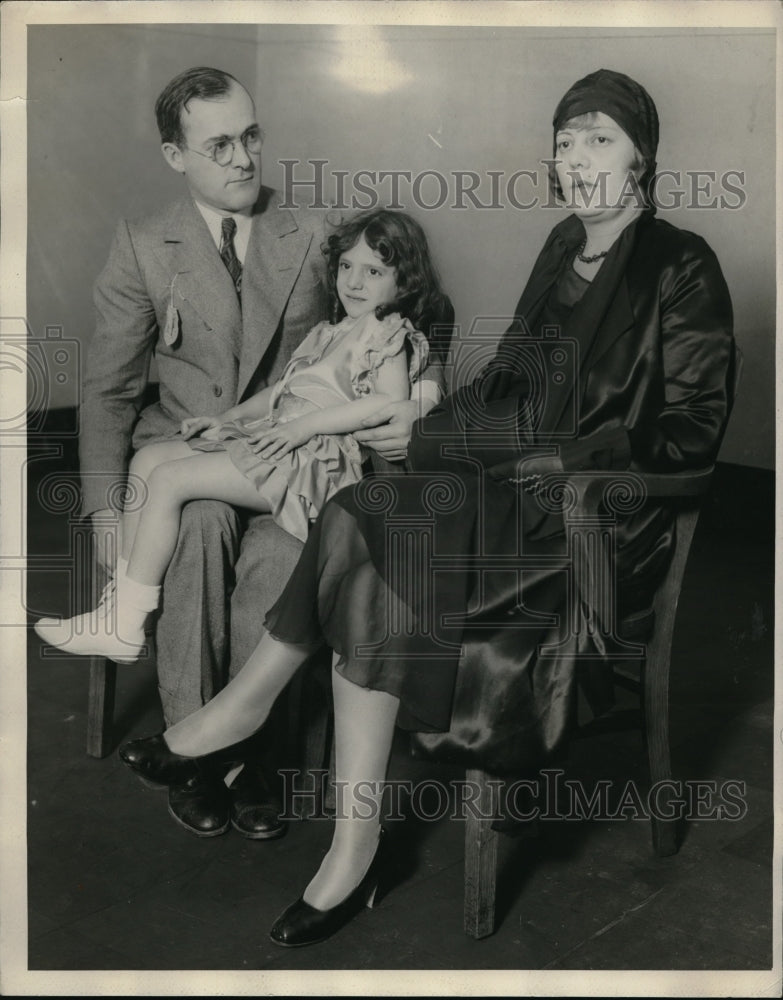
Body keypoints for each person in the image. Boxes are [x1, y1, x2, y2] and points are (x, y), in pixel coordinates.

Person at [118, 69, 736, 946]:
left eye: (598, 138)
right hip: (504, 499)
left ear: (641, 155)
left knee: (364, 540)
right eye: (564, 141)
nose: (576, 157)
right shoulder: (563, 245)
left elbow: (691, 435)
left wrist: (539, 459)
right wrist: (431, 429)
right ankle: (344, 831)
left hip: (590, 531)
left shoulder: (681, 265)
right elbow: (510, 384)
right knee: (362, 516)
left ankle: (247, 728)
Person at [68, 67, 448, 840]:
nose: (242, 159)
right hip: (187, 448)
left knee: (281, 554)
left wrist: (422, 400)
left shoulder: (314, 233)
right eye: (218, 145)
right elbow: (106, 393)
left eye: (250, 136)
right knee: (198, 526)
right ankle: (197, 751)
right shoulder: (144, 247)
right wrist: (109, 515)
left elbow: (414, 317)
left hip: (297, 463)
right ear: (176, 156)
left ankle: (251, 750)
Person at [36, 209, 449, 663]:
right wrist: (228, 420)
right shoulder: (332, 332)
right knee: (149, 460)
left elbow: (386, 402)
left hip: (312, 460)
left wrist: (303, 427)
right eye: (347, 267)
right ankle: (119, 609)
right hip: (281, 438)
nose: (353, 282)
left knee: (170, 480)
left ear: (404, 282)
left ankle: (127, 622)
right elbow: (281, 390)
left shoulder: (388, 333)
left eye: (373, 272)